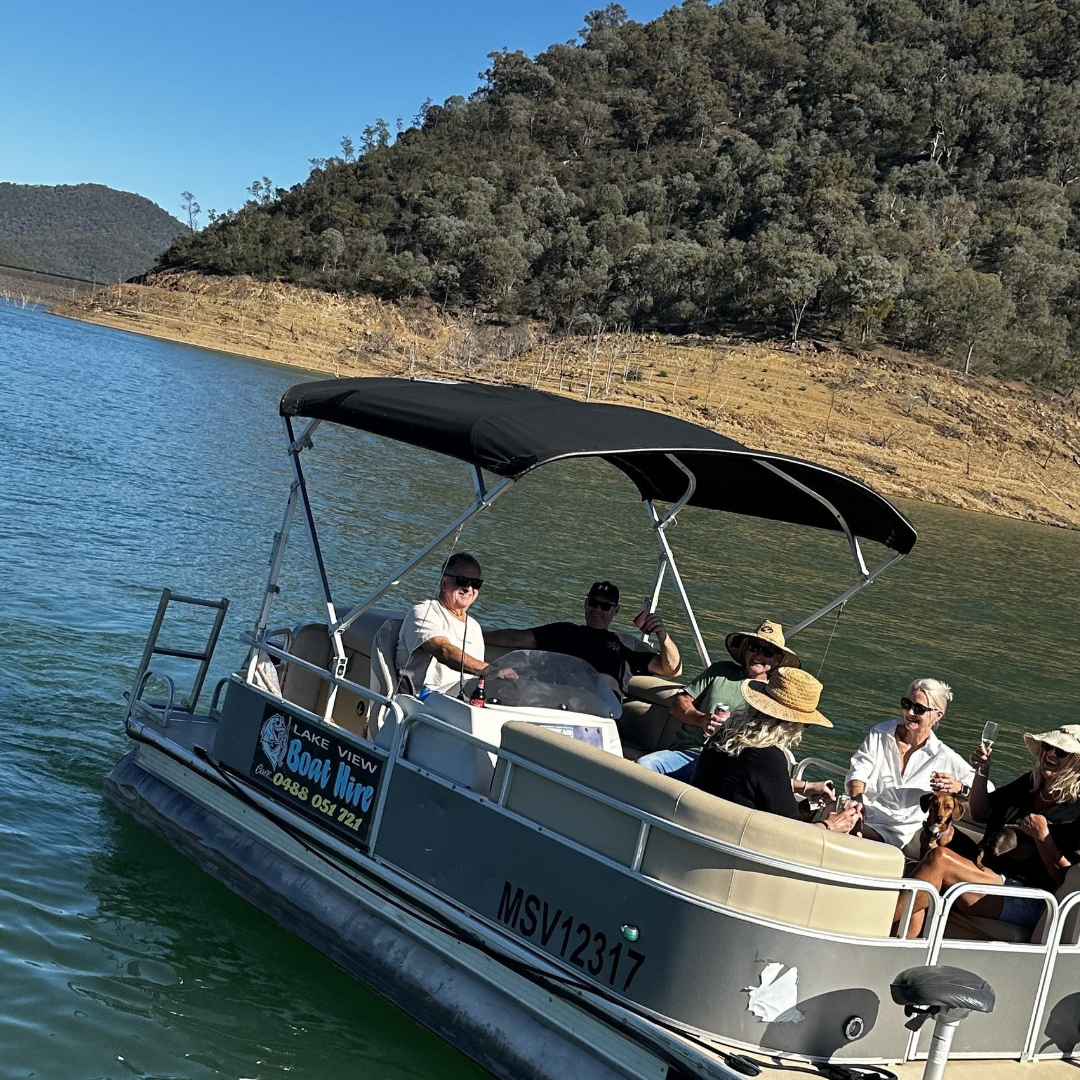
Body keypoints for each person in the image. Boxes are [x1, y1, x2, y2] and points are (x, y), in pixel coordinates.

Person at [898, 725, 1080, 938]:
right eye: (1047, 747)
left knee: (939, 859)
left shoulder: (1076, 812)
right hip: (991, 873)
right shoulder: (1029, 785)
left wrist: (1043, 837)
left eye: (1060, 752)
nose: (1050, 753)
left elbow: (1069, 880)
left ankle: (878, 922)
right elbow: (981, 813)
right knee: (916, 866)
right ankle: (902, 941)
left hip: (1030, 896)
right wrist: (981, 771)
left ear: (1076, 763)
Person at [637, 621, 832, 800]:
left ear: (778, 660)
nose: (759, 655)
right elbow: (680, 702)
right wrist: (700, 719)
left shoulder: (775, 700)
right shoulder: (720, 671)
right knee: (644, 766)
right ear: (745, 649)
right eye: (754, 647)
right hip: (690, 752)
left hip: (732, 768)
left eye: (768, 652)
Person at [691, 667, 862, 834]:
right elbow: (794, 834)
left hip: (702, 828)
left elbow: (747, 783)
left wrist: (805, 786)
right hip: (737, 844)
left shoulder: (725, 734)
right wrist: (832, 824)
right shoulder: (768, 756)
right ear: (791, 723)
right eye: (805, 723)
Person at [483, 580, 680, 699]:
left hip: (599, 710)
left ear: (616, 610)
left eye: (605, 606)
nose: (597, 610)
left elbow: (672, 669)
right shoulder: (564, 631)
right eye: (593, 603)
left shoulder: (627, 643)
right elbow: (518, 638)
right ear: (585, 604)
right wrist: (478, 636)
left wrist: (663, 636)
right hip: (554, 700)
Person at [846, 679, 978, 853]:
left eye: (919, 709)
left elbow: (988, 790)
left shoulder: (944, 756)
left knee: (843, 831)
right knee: (828, 817)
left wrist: (960, 787)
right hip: (859, 812)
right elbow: (859, 769)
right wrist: (856, 799)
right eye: (906, 703)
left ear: (938, 715)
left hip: (891, 830)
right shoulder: (881, 733)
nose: (909, 712)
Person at [396, 552, 487, 695]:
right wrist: (489, 670)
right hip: (423, 703)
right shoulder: (425, 611)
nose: (469, 589)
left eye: (476, 583)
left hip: (462, 702)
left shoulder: (474, 627)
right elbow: (443, 651)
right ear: (444, 584)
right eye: (462, 580)